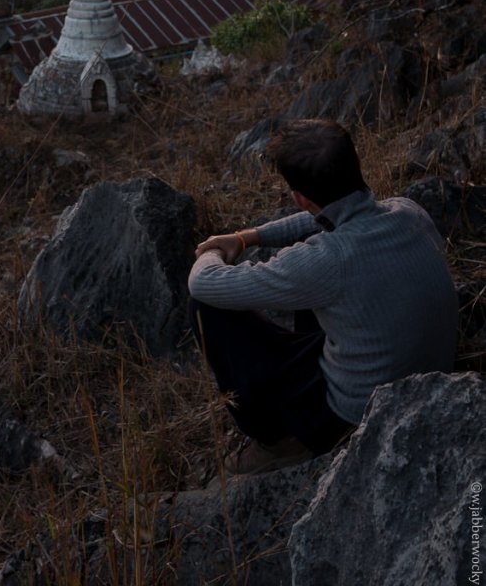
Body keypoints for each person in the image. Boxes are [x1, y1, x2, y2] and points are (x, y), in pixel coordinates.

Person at [188, 118, 458, 475]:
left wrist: (212, 250)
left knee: (204, 308)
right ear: (356, 163)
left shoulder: (326, 261)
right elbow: (328, 219)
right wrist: (246, 237)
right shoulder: (408, 211)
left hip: (355, 412)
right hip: (432, 375)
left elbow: (203, 283)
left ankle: (279, 442)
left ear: (300, 199)